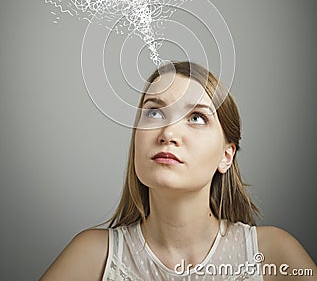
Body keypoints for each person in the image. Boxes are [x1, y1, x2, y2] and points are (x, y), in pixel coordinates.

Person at [40, 61, 316, 280]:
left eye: (197, 118)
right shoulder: (93, 256)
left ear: (226, 155)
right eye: (154, 113)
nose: (168, 133)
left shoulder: (274, 255)